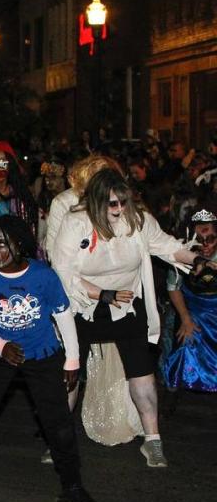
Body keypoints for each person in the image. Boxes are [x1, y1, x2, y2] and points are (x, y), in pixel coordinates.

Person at [51, 169, 205, 468]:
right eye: (112, 204)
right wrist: (100, 294)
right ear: (96, 201)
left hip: (126, 304)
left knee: (142, 371)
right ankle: (58, 440)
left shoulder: (138, 220)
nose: (119, 209)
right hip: (82, 305)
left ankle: (153, 441)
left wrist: (196, 260)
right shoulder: (75, 222)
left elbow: (168, 246)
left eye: (123, 201)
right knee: (69, 372)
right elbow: (63, 271)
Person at [0, 215, 99, 502]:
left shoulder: (43, 275)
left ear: (19, 245)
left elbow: (63, 315)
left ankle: (73, 488)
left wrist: (72, 360)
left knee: (58, 424)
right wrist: (0, 345)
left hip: (42, 353)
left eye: (2, 244)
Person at [162, 206, 217, 393]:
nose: (205, 245)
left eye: (210, 239)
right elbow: (173, 287)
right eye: (200, 240)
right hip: (193, 310)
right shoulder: (184, 254)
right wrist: (185, 318)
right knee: (186, 339)